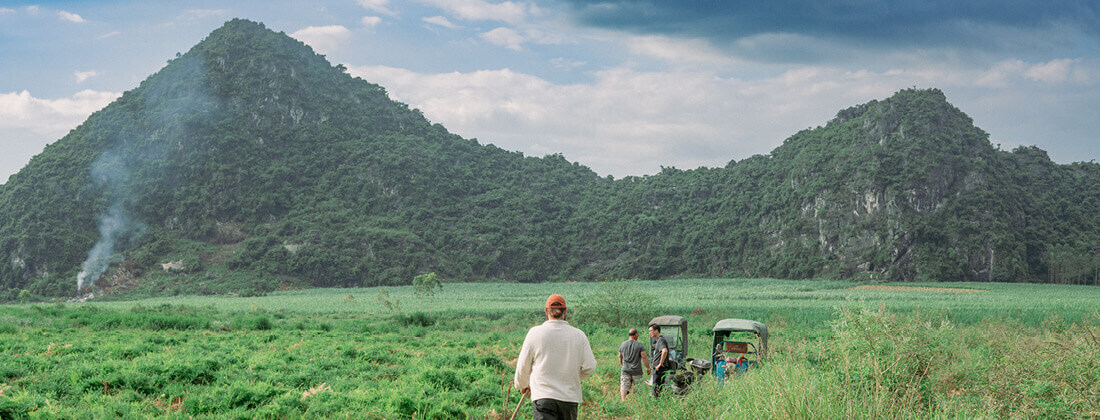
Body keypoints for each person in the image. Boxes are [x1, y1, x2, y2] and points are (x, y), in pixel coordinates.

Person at [515, 294, 597, 420]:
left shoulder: (535, 333)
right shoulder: (579, 335)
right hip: (569, 399)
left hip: (543, 397)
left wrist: (523, 385)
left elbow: (523, 367)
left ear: (546, 311)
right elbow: (590, 367)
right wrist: (570, 377)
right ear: (565, 311)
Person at [618, 328, 650, 401]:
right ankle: (637, 401)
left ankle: (623, 400)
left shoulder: (622, 344)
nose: (638, 335)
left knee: (624, 385)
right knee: (638, 386)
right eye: (637, 334)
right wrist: (648, 367)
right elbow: (644, 356)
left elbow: (620, 356)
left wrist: (622, 365)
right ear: (635, 335)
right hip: (637, 370)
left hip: (625, 370)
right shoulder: (639, 345)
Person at [648, 323, 671, 397]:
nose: (650, 333)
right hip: (658, 367)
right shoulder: (658, 340)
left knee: (656, 387)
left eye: (651, 331)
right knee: (658, 387)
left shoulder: (661, 340)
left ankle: (655, 402)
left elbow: (664, 351)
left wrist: (660, 363)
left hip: (659, 368)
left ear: (656, 331)